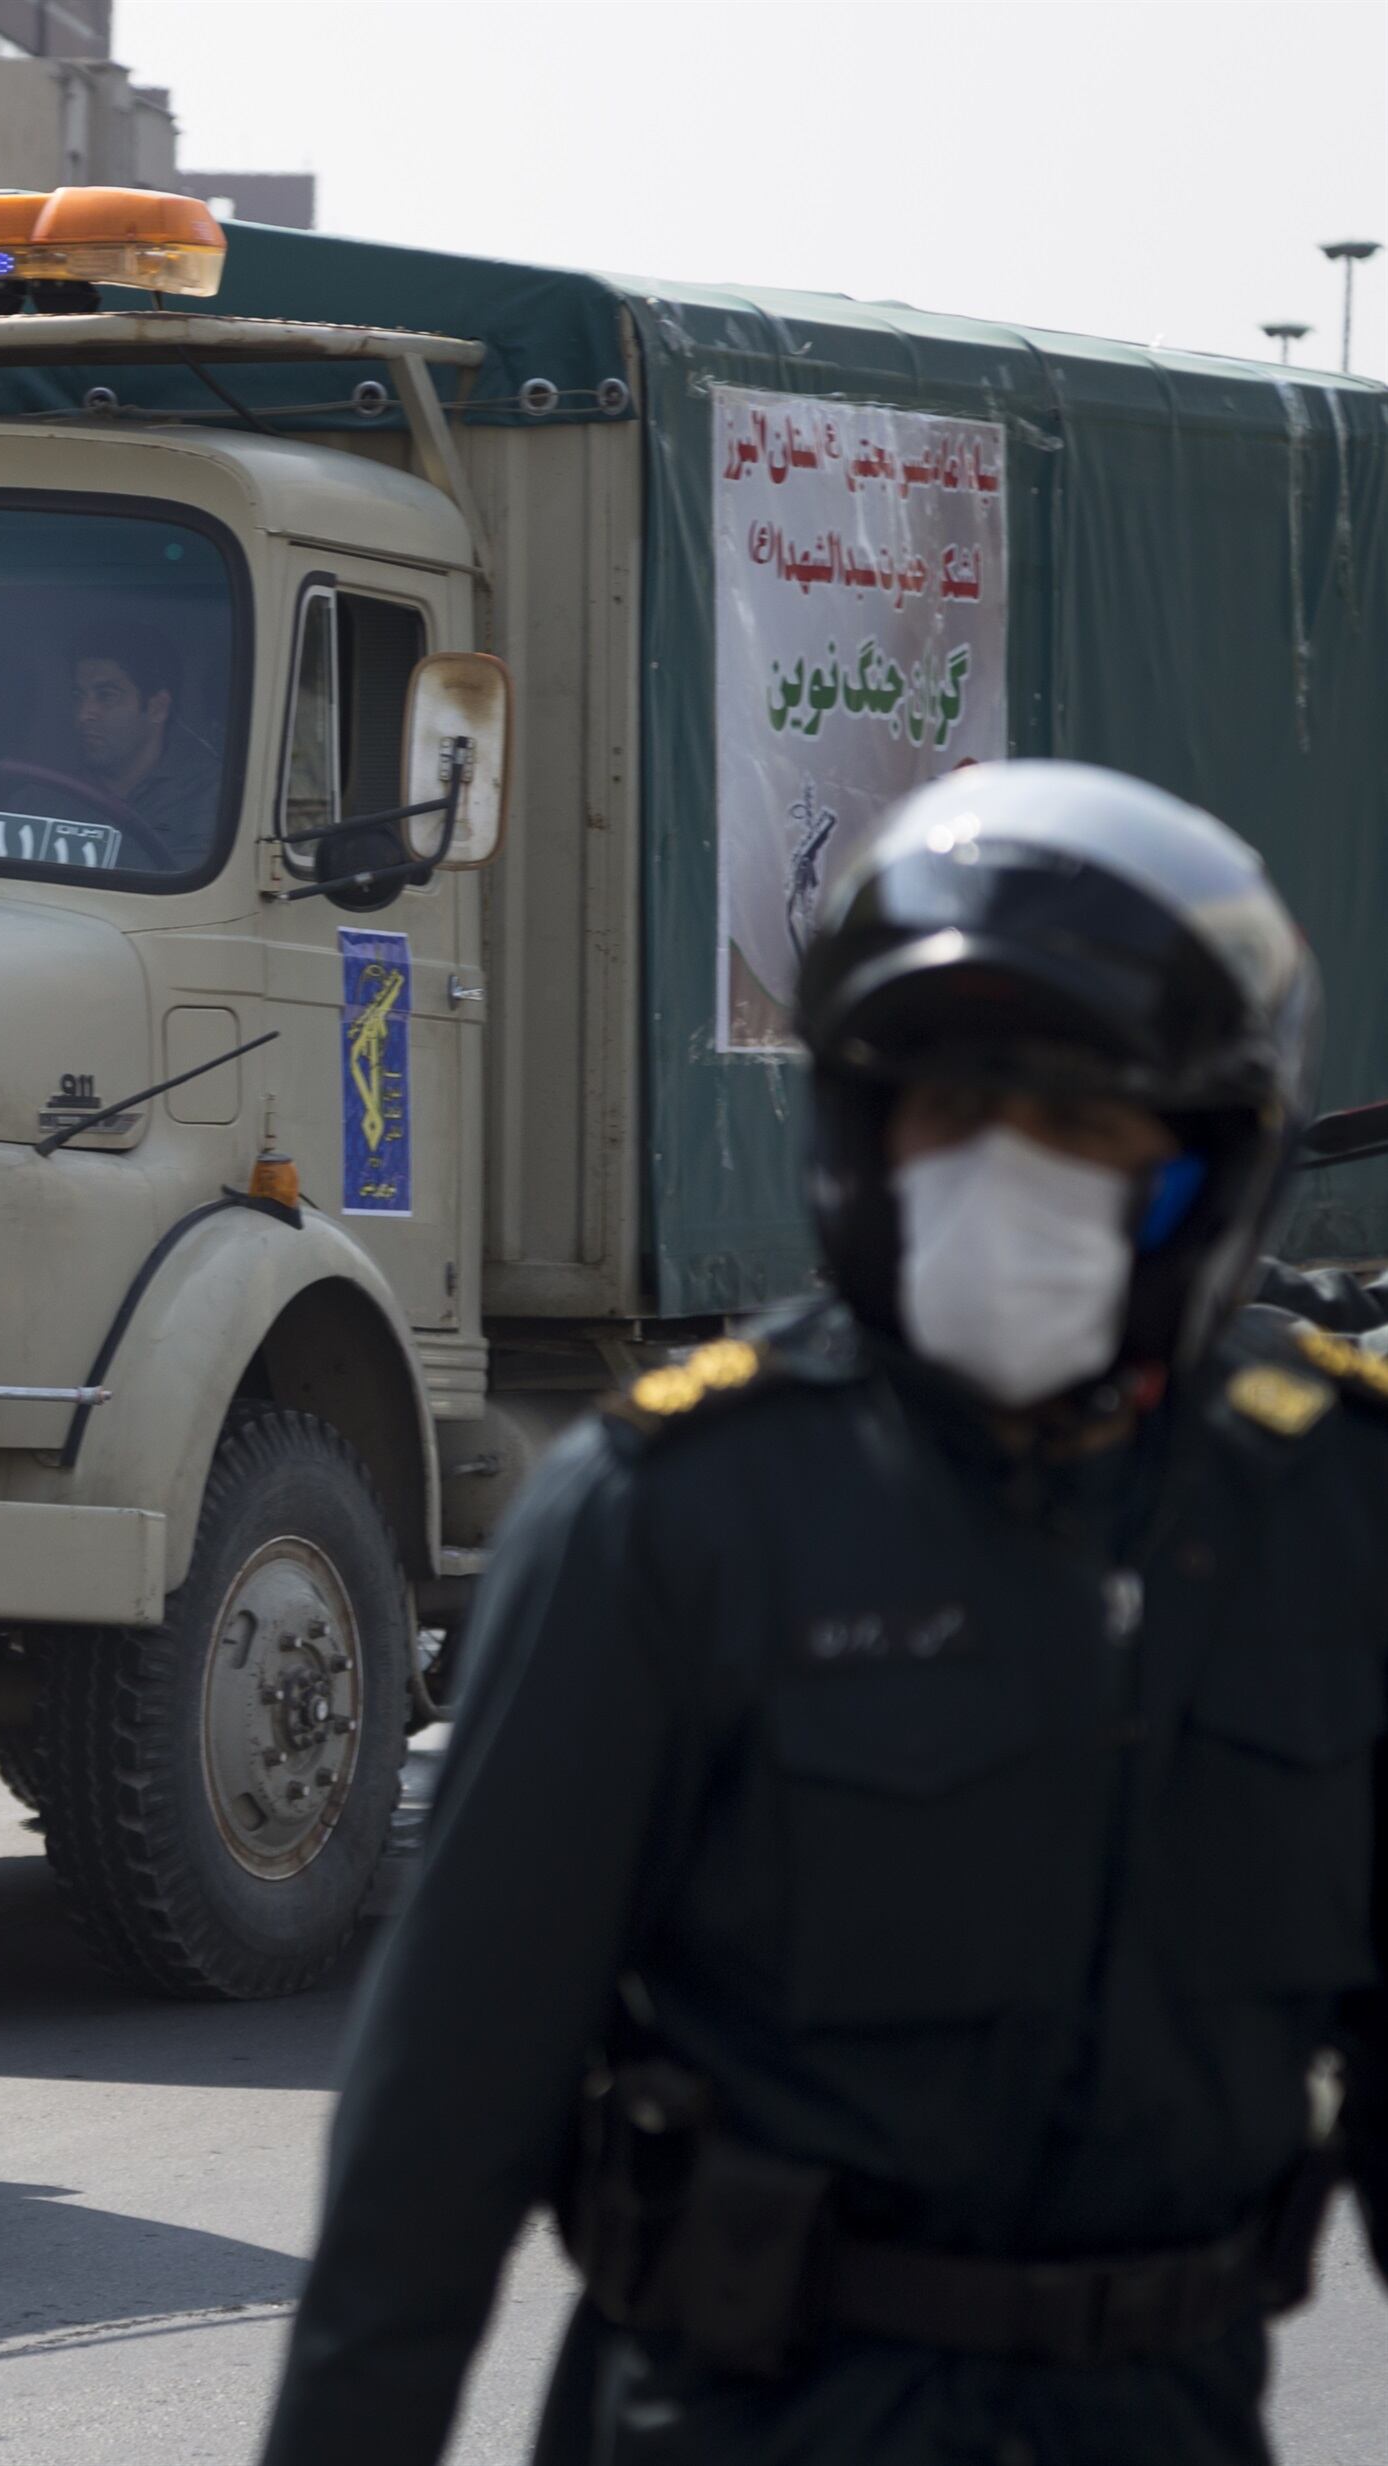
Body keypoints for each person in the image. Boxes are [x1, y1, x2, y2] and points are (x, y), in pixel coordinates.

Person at [259, 761, 1388, 2466]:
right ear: (861, 1135)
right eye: (946, 1112)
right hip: (756, 2415)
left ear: (1213, 1161)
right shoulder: (674, 1517)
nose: (1004, 1175)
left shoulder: (1333, 1513)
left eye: (1081, 1124)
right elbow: (437, 2137)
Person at [68, 628, 218, 872]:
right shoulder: (42, 796)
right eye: (79, 695)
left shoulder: (210, 799)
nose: (84, 714)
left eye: (106, 696)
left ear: (157, 707)